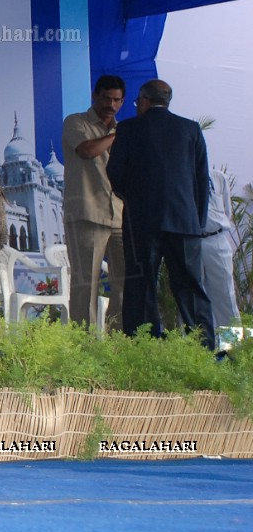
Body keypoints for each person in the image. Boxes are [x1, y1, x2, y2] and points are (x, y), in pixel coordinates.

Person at [107, 79, 213, 350]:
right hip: (185, 222)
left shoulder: (129, 129)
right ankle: (203, 350)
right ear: (167, 102)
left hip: (142, 222)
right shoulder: (190, 129)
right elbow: (202, 180)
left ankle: (144, 349)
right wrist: (196, 222)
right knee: (190, 287)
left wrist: (133, 200)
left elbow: (115, 174)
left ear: (143, 101)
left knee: (141, 285)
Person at [61, 75, 126, 329]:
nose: (111, 104)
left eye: (117, 100)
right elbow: (86, 151)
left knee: (126, 282)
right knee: (86, 283)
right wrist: (116, 136)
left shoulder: (123, 132)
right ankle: (84, 348)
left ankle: (118, 341)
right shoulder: (76, 122)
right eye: (107, 98)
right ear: (95, 96)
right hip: (87, 213)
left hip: (120, 215)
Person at [201, 167, 241, 331]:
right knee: (193, 298)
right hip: (190, 242)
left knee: (226, 295)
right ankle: (198, 349)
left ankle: (233, 349)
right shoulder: (180, 176)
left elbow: (226, 212)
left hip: (216, 239)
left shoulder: (218, 177)